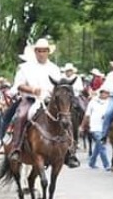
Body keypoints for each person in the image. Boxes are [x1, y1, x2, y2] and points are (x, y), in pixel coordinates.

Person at [8, 38, 79, 168]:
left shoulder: (54, 68)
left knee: (68, 116)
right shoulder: (25, 68)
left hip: (51, 100)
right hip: (31, 99)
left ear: (48, 52)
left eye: (44, 51)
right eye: (39, 51)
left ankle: (70, 150)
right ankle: (16, 147)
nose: (42, 53)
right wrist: (33, 89)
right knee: (22, 115)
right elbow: (18, 85)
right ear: (35, 52)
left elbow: (60, 85)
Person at [83, 87, 112, 170]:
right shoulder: (93, 102)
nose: (105, 94)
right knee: (101, 145)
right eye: (103, 92)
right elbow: (87, 114)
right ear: (100, 93)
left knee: (98, 146)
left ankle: (92, 162)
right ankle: (107, 165)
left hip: (105, 128)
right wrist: (83, 126)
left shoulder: (110, 103)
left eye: (107, 93)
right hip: (95, 127)